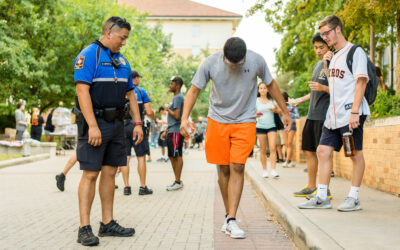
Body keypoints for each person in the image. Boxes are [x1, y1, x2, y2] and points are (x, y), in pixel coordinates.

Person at [180, 37, 291, 239]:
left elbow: (272, 85)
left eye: (238, 63)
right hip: (217, 120)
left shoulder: (256, 60)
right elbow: (194, 90)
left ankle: (232, 219)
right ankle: (227, 215)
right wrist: (184, 118)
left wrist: (285, 111)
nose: (235, 66)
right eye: (231, 63)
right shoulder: (210, 63)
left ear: (244, 56)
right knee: (223, 169)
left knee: (238, 166)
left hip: (245, 120)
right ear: (224, 55)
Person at [73, 16, 143, 246]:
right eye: (122, 38)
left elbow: (131, 94)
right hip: (96, 123)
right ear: (109, 33)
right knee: (91, 174)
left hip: (117, 125)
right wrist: (93, 125)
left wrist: (138, 123)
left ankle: (107, 223)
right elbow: (82, 92)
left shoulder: (122, 61)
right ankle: (84, 228)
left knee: (110, 173)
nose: (124, 42)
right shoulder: (89, 55)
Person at [299, 15, 370, 212]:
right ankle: (322, 196)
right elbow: (333, 84)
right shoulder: (333, 55)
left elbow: (361, 82)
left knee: (354, 154)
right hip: (333, 115)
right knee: (322, 151)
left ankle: (353, 197)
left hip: (350, 113)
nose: (325, 38)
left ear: (338, 29)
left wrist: (355, 112)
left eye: (327, 33)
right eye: (322, 34)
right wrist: (325, 64)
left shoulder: (355, 52)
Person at [291, 33, 333, 198]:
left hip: (324, 115)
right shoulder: (317, 65)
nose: (318, 50)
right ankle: (311, 186)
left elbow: (339, 90)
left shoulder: (333, 63)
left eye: (321, 47)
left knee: (323, 153)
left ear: (329, 46)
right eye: (316, 47)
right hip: (312, 114)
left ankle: (325, 189)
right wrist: (301, 99)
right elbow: (315, 89)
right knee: (308, 150)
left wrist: (323, 88)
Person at [120, 70, 154, 196]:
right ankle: (142, 186)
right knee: (141, 157)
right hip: (137, 126)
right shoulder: (141, 91)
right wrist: (152, 113)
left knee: (125, 157)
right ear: (135, 79)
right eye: (137, 78)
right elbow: (149, 112)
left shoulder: (122, 91)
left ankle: (126, 186)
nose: (138, 80)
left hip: (123, 127)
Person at [161, 76, 185, 191]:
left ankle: (178, 181)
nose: (170, 86)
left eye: (172, 84)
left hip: (176, 131)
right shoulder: (176, 98)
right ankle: (177, 180)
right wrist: (166, 131)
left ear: (178, 86)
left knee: (177, 155)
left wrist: (167, 109)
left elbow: (176, 116)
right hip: (171, 130)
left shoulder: (178, 98)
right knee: (171, 155)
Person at [256, 83, 281, 178]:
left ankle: (274, 170)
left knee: (273, 148)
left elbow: (280, 111)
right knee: (263, 149)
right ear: (258, 90)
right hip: (260, 126)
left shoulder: (272, 101)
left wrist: (275, 110)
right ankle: (264, 170)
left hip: (272, 126)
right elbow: (251, 113)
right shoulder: (256, 101)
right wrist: (256, 116)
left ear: (267, 90)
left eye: (264, 88)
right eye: (261, 88)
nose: (263, 90)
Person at [281, 92, 299, 168]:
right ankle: (292, 161)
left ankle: (286, 161)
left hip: (292, 125)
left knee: (289, 143)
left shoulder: (292, 105)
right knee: (286, 144)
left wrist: (289, 114)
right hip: (284, 126)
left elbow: (297, 116)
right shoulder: (280, 106)